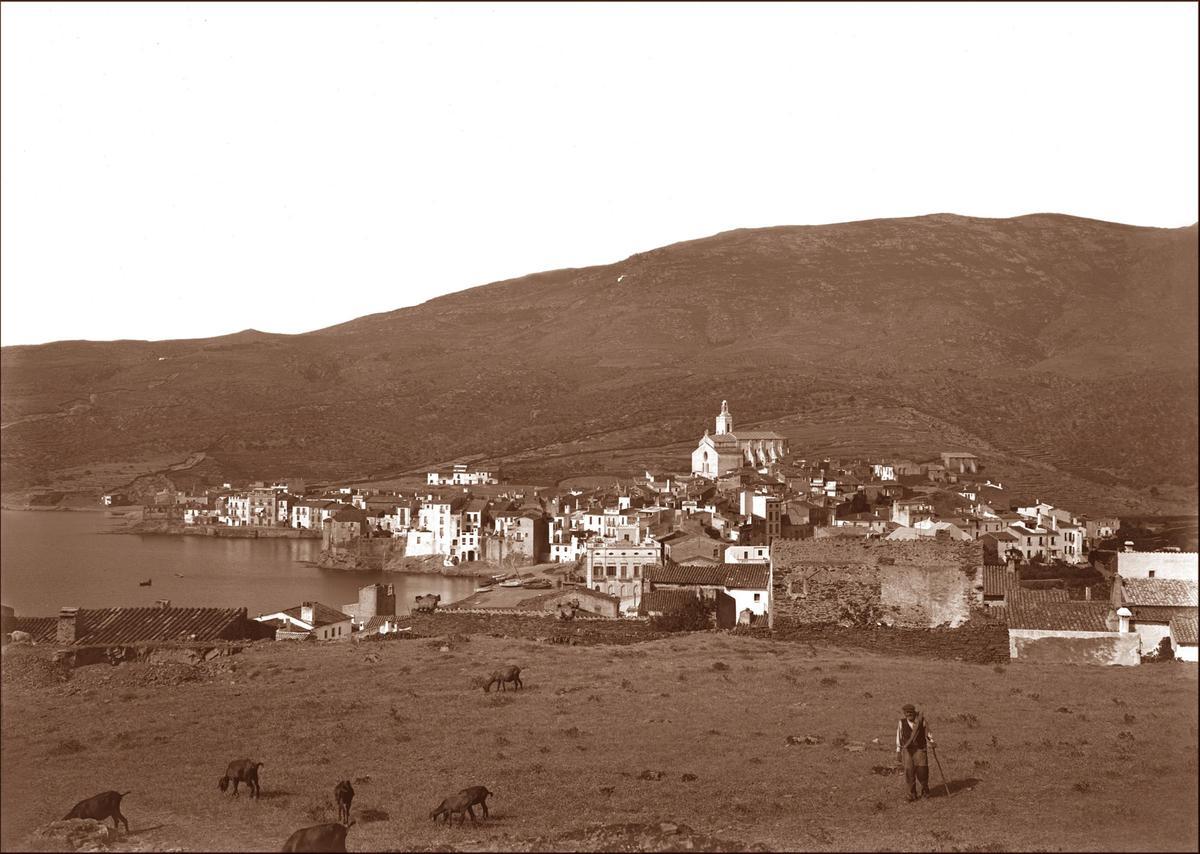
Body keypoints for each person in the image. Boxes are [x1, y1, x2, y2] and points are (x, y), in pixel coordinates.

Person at [896, 703, 935, 801]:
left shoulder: (921, 720)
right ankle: (911, 794)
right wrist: (898, 751)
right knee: (909, 772)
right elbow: (899, 737)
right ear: (904, 713)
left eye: (910, 712)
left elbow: (928, 733)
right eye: (906, 712)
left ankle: (925, 792)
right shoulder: (901, 722)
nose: (909, 714)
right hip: (908, 751)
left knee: (922, 771)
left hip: (920, 749)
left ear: (913, 712)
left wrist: (932, 742)